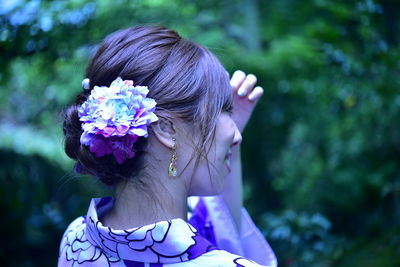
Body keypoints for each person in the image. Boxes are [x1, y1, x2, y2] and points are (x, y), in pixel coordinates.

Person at [59, 25, 277, 267]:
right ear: (166, 129)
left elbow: (220, 221)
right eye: (223, 110)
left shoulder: (76, 241)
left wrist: (220, 142)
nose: (237, 135)